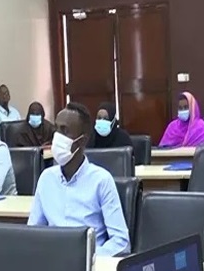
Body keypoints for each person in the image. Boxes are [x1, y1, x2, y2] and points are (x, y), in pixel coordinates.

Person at [28, 102, 130, 257]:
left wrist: (85, 258)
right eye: (56, 129)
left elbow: (121, 242)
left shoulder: (101, 181)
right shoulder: (46, 178)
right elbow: (32, 234)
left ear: (82, 140)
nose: (57, 137)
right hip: (52, 262)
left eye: (65, 131)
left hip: (89, 262)